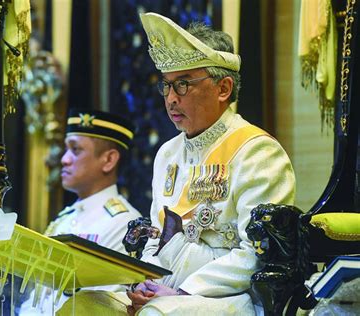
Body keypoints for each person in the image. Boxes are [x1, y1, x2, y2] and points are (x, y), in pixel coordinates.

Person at [58, 12, 296, 316]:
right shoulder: (168, 154)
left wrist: (182, 292)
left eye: (183, 85)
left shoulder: (257, 152)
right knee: (83, 307)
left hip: (228, 297)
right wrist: (146, 283)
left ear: (223, 89)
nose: (170, 98)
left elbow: (256, 255)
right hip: (167, 290)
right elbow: (156, 239)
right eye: (166, 86)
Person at [19, 109, 142, 314]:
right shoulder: (64, 219)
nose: (65, 159)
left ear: (109, 160)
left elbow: (103, 303)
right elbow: (37, 295)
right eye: (66, 149)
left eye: (75, 150)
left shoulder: (125, 223)